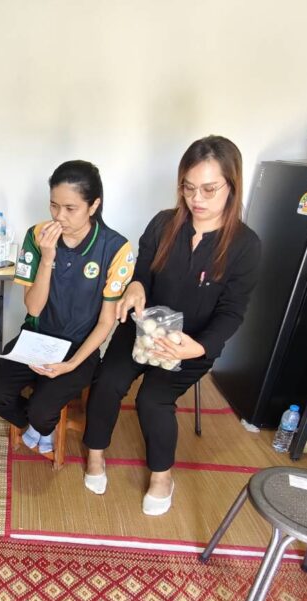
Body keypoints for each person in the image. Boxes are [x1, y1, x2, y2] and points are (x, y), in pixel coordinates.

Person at [82, 135, 261, 515]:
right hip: (144, 326)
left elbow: (232, 312)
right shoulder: (164, 223)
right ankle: (95, 453)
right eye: (188, 187)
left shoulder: (246, 245)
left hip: (191, 342)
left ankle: (162, 477)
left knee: (153, 399)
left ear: (232, 186)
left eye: (209, 189)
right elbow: (142, 273)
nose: (197, 199)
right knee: (108, 380)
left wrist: (199, 347)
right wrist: (135, 288)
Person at [0, 160, 133, 453]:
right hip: (36, 338)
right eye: (53, 205)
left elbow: (106, 322)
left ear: (94, 205)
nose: (59, 216)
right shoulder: (37, 236)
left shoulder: (116, 248)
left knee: (42, 410)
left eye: (70, 208)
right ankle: (37, 424)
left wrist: (72, 364)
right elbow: (34, 309)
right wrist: (47, 258)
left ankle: (41, 423)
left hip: (80, 347)